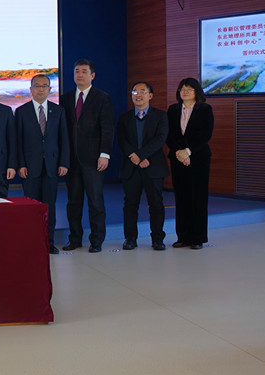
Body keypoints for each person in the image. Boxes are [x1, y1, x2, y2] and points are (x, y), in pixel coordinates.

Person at [59, 58, 114, 253]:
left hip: (94, 159)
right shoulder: (65, 98)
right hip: (71, 160)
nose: (79, 74)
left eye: (84, 71)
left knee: (95, 201)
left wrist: (104, 154)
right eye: (76, 71)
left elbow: (107, 128)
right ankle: (74, 239)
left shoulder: (102, 98)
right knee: (73, 202)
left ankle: (96, 240)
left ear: (93, 75)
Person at [15, 74, 70, 254]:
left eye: (44, 86)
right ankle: (32, 242)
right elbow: (18, 141)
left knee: (49, 206)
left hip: (52, 167)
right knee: (31, 207)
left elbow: (64, 139)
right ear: (31, 89)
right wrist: (21, 164)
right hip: (30, 167)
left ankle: (49, 242)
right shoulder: (21, 112)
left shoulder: (58, 111)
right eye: (37, 86)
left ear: (49, 89)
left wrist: (64, 162)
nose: (40, 89)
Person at [116, 81, 169, 251]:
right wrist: (136, 156)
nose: (138, 95)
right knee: (130, 204)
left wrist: (142, 155)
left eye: (142, 91)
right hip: (131, 167)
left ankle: (157, 239)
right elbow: (121, 140)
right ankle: (130, 239)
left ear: (150, 96)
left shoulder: (161, 116)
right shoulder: (124, 118)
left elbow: (160, 139)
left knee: (156, 204)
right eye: (134, 92)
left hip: (153, 166)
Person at [166, 78, 214, 250]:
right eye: (182, 89)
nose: (185, 92)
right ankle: (183, 236)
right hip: (178, 158)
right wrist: (180, 152)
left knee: (198, 197)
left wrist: (188, 151)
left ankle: (197, 238)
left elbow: (206, 134)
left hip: (199, 158)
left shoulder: (205, 109)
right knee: (181, 197)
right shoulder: (173, 109)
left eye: (189, 89)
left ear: (196, 91)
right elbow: (169, 134)